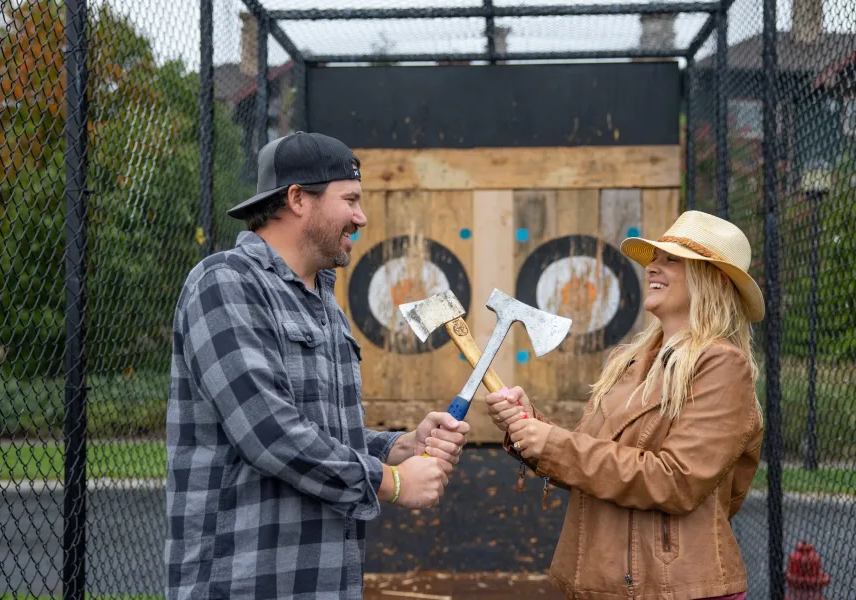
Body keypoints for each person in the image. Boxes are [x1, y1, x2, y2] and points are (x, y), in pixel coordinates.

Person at [165, 131, 470, 600]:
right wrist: (391, 483)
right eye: (349, 199)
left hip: (324, 581)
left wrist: (398, 446)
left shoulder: (324, 302)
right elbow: (268, 432)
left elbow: (319, 427)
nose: (361, 217)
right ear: (297, 199)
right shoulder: (224, 283)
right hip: (243, 581)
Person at [486, 210, 765, 600]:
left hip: (675, 588)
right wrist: (528, 425)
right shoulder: (630, 360)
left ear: (713, 278)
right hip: (604, 580)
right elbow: (583, 463)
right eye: (654, 257)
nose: (653, 266)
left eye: (672, 260)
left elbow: (678, 481)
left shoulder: (721, 364)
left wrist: (553, 444)